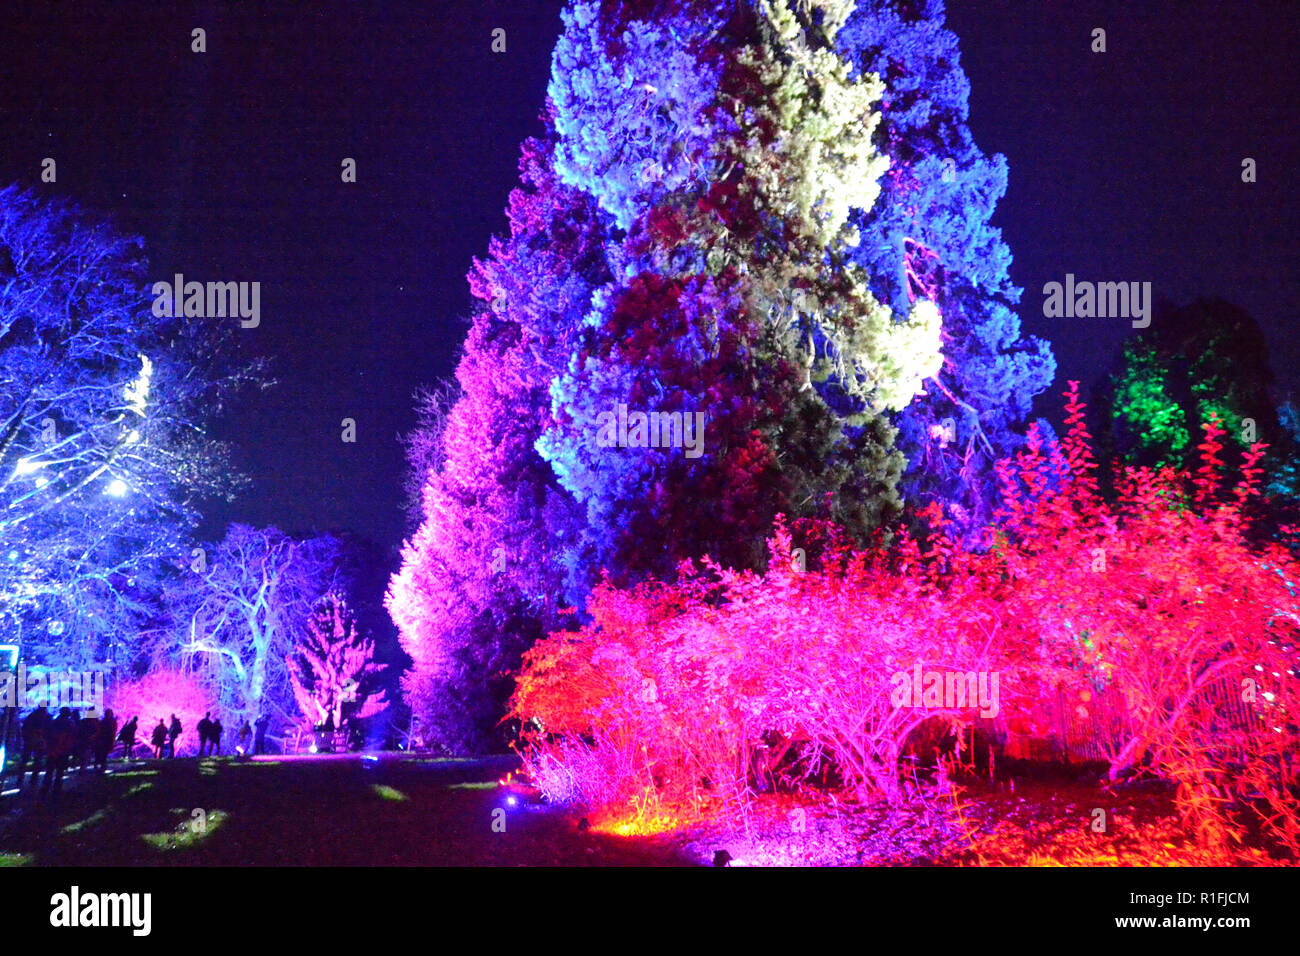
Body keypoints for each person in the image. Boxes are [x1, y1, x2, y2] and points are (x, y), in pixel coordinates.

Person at [41, 707, 75, 797]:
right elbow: (71, 738)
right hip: (63, 751)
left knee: (49, 771)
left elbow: (48, 735)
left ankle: (45, 789)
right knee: (59, 772)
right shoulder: (69, 724)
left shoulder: (54, 722)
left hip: (53, 750)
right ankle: (56, 790)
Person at [16, 705, 50, 789]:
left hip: (30, 741)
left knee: (25, 760)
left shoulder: (32, 716)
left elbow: (25, 728)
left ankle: (20, 779)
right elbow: (49, 731)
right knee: (37, 761)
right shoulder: (46, 718)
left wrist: (26, 738)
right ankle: (33, 780)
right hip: (39, 742)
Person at [94, 708, 117, 772]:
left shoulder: (108, 721)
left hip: (106, 740)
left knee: (103, 754)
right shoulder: (108, 721)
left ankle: (101, 765)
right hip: (104, 740)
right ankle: (101, 766)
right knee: (102, 754)